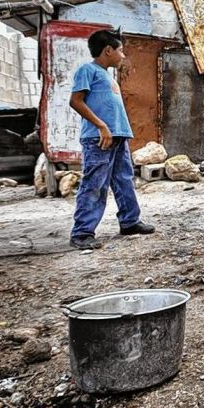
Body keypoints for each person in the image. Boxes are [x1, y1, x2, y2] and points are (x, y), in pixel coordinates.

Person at [68, 29, 155, 249]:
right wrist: (101, 126)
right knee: (95, 184)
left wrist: (118, 131)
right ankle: (82, 233)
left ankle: (130, 221)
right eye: (120, 51)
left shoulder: (107, 75)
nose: (123, 56)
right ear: (108, 50)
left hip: (118, 137)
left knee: (124, 180)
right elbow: (76, 101)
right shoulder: (87, 70)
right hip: (100, 139)